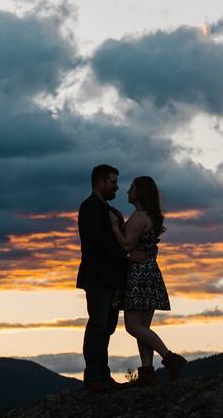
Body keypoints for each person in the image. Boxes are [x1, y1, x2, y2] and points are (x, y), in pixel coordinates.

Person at [108, 175, 187, 385]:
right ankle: (147, 372)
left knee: (133, 327)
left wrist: (115, 227)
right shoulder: (150, 216)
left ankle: (169, 358)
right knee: (143, 328)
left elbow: (126, 246)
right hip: (150, 271)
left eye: (132, 187)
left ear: (139, 192)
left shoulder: (138, 217)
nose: (127, 191)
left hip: (139, 273)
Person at [76, 164, 134, 392]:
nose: (117, 187)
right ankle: (94, 377)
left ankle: (103, 374)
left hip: (110, 278)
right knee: (98, 325)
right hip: (98, 277)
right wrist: (125, 256)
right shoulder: (90, 208)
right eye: (113, 182)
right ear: (101, 182)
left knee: (106, 327)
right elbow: (98, 243)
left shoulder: (106, 210)